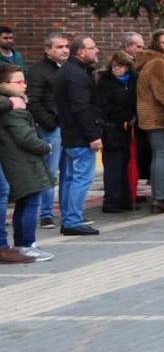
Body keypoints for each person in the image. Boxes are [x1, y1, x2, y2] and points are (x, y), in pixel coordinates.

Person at [0, 65, 54, 263]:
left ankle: (22, 244)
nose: (24, 86)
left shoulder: (14, 104)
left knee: (25, 200)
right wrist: (45, 146)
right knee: (29, 201)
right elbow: (24, 136)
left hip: (20, 161)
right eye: (19, 82)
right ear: (5, 85)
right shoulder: (12, 108)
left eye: (24, 81)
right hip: (21, 162)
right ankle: (25, 244)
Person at [53, 34, 102, 235]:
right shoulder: (76, 75)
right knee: (80, 178)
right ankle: (73, 220)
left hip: (71, 134)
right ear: (81, 52)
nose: (97, 50)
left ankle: (70, 218)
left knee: (71, 178)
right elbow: (81, 107)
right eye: (92, 47)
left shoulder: (70, 71)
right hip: (80, 136)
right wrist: (93, 135)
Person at [135, 29, 164, 213]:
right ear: (156, 44)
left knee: (158, 156)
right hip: (160, 118)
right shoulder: (158, 64)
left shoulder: (155, 62)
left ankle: (157, 197)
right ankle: (161, 198)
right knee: (163, 156)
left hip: (153, 117)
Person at [27, 32, 69, 229]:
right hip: (52, 128)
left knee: (68, 172)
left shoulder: (68, 69)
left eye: (66, 46)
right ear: (47, 50)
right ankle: (46, 214)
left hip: (69, 128)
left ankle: (68, 212)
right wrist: (50, 123)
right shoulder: (39, 71)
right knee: (49, 172)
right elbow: (34, 101)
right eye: (59, 47)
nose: (65, 50)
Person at [97, 51, 136, 213]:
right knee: (114, 165)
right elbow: (106, 105)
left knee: (125, 165)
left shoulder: (134, 80)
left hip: (128, 128)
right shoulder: (106, 82)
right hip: (112, 127)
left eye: (120, 66)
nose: (116, 69)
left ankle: (124, 198)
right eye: (114, 66)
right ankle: (112, 201)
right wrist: (126, 115)